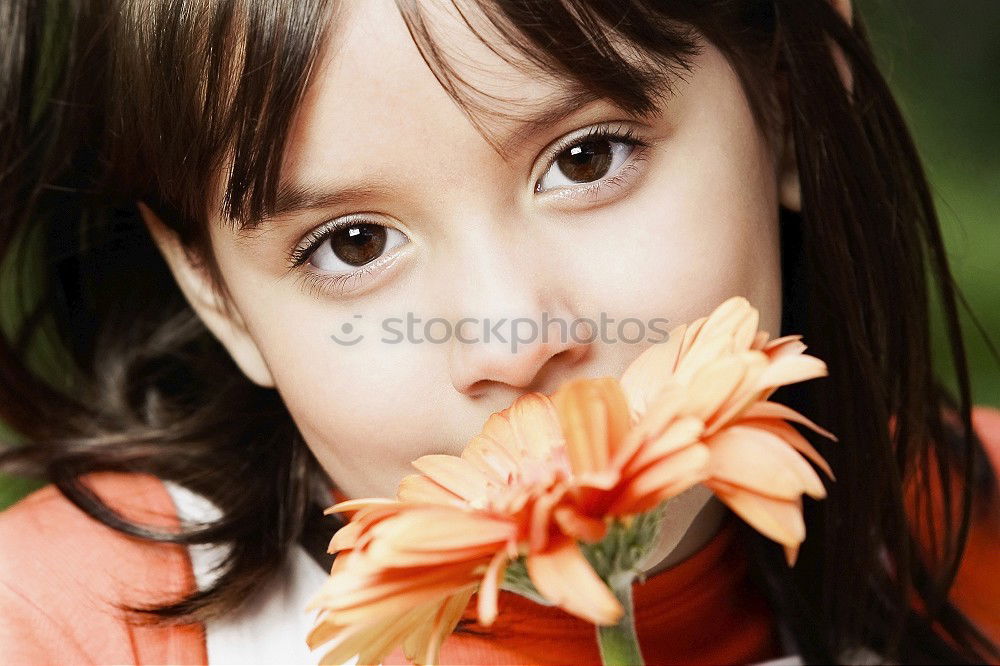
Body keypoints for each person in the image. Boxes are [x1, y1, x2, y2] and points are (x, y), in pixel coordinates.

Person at [0, 0, 997, 663]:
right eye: (350, 245)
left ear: (789, 93)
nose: (512, 339)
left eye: (587, 158)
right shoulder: (61, 623)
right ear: (214, 290)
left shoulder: (976, 536)